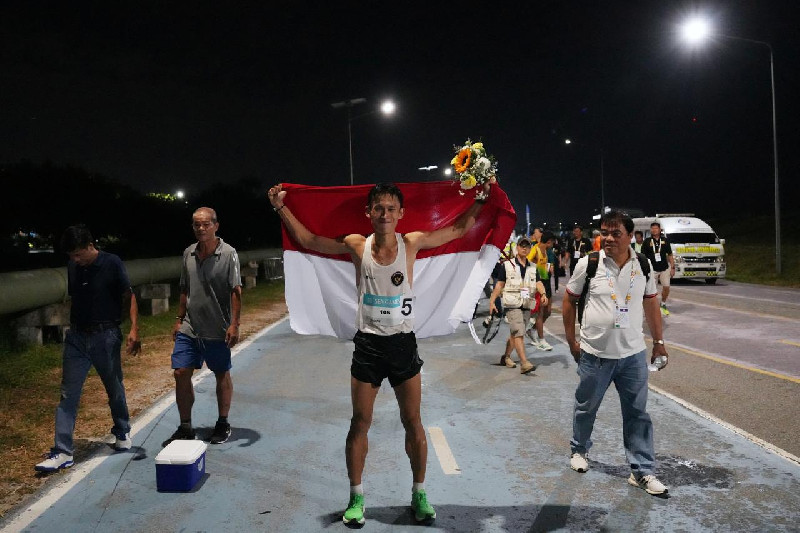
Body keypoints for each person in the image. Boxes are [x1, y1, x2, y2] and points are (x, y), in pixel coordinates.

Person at [267, 181, 492, 526]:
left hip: (402, 344)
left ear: (401, 213)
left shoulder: (412, 242)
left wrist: (480, 199)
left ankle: (419, 494)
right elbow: (309, 240)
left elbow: (460, 229)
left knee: (413, 421)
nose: (384, 214)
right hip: (369, 345)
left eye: (390, 209)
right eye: (378, 208)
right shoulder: (357, 244)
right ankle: (356, 497)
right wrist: (281, 207)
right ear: (368, 213)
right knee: (360, 423)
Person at [562, 210, 670, 496]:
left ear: (630, 236)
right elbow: (569, 301)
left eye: (615, 233)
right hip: (595, 354)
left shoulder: (643, 264)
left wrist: (659, 341)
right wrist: (572, 341)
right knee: (586, 407)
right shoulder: (589, 263)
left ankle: (641, 471)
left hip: (633, 355)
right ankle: (579, 450)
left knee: (637, 414)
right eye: (604, 233)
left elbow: (651, 304)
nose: (608, 238)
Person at [35, 225, 140, 472]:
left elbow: (129, 296)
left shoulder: (112, 263)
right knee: (68, 394)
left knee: (114, 388)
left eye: (78, 254)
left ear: (90, 246)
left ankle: (122, 430)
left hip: (106, 336)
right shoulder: (73, 266)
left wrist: (134, 329)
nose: (75, 260)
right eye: (71, 256)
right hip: (77, 338)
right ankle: (63, 451)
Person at [165, 207, 242, 446]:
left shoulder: (228, 254)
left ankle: (222, 422)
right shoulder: (188, 253)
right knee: (180, 372)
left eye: (206, 224)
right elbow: (184, 289)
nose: (201, 228)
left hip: (218, 328)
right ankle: (185, 426)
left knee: (221, 372)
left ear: (216, 226)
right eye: (196, 225)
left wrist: (234, 324)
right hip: (190, 327)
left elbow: (236, 291)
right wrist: (179, 319)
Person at [488, 236, 547, 374]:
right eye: (522, 246)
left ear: (530, 249)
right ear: (517, 248)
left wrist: (543, 294)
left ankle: (506, 357)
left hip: (526, 302)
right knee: (519, 332)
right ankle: (524, 363)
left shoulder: (533, 267)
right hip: (512, 303)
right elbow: (499, 285)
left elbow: (538, 282)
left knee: (515, 333)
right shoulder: (507, 265)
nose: (524, 248)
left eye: (527, 246)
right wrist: (492, 301)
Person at [526, 231, 555, 351]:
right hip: (538, 283)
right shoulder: (535, 250)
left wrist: (549, 268)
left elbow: (545, 265)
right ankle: (541, 340)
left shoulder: (546, 251)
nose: (553, 245)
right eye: (552, 243)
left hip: (546, 281)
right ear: (549, 242)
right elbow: (526, 263)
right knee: (540, 313)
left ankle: (531, 329)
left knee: (548, 311)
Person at [641, 222, 674, 316]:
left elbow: (670, 254)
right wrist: (644, 268)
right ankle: (652, 306)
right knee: (652, 289)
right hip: (652, 269)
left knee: (666, 286)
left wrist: (672, 267)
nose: (654, 230)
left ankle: (663, 303)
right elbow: (643, 256)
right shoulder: (647, 241)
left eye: (656, 228)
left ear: (660, 230)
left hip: (664, 268)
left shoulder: (665, 240)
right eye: (652, 228)